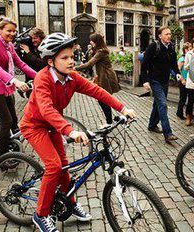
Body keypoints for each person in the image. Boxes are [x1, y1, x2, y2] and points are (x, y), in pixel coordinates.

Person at [26, 32, 136, 232]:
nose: (71, 61)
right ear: (51, 61)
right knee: (53, 166)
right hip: (35, 126)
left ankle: (70, 202)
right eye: (65, 58)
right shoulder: (43, 79)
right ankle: (40, 214)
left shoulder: (72, 77)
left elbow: (98, 91)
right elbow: (46, 109)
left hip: (53, 126)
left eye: (71, 56)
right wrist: (70, 131)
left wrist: (122, 109)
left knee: (64, 167)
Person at [0, 16, 36, 157]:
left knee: (14, 120)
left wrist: (40, 76)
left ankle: (14, 151)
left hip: (4, 86)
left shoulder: (9, 45)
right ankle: (3, 159)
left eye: (14, 31)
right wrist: (15, 81)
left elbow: (21, 64)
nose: (12, 33)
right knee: (6, 121)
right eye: (9, 30)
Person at [141, 27, 181, 142]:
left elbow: (174, 63)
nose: (169, 36)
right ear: (160, 36)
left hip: (165, 81)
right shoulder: (153, 46)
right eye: (166, 34)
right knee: (163, 105)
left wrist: (177, 73)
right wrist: (145, 80)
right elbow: (144, 64)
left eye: (170, 34)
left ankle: (152, 125)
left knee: (157, 104)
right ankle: (168, 133)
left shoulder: (171, 47)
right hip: (155, 80)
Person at [76, 33, 121, 125]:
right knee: (103, 99)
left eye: (91, 40)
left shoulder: (101, 52)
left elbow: (89, 64)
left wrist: (74, 68)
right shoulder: (97, 51)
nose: (90, 42)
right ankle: (111, 119)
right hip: (101, 77)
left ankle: (109, 122)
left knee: (102, 99)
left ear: (96, 41)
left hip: (106, 78)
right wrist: (91, 51)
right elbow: (89, 61)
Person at [176, 43, 194, 126]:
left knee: (190, 97)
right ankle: (179, 113)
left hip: (189, 80)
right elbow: (178, 70)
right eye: (189, 48)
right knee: (183, 97)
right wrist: (182, 79)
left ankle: (189, 113)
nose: (191, 49)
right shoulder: (182, 59)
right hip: (183, 81)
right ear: (185, 49)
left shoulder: (189, 57)